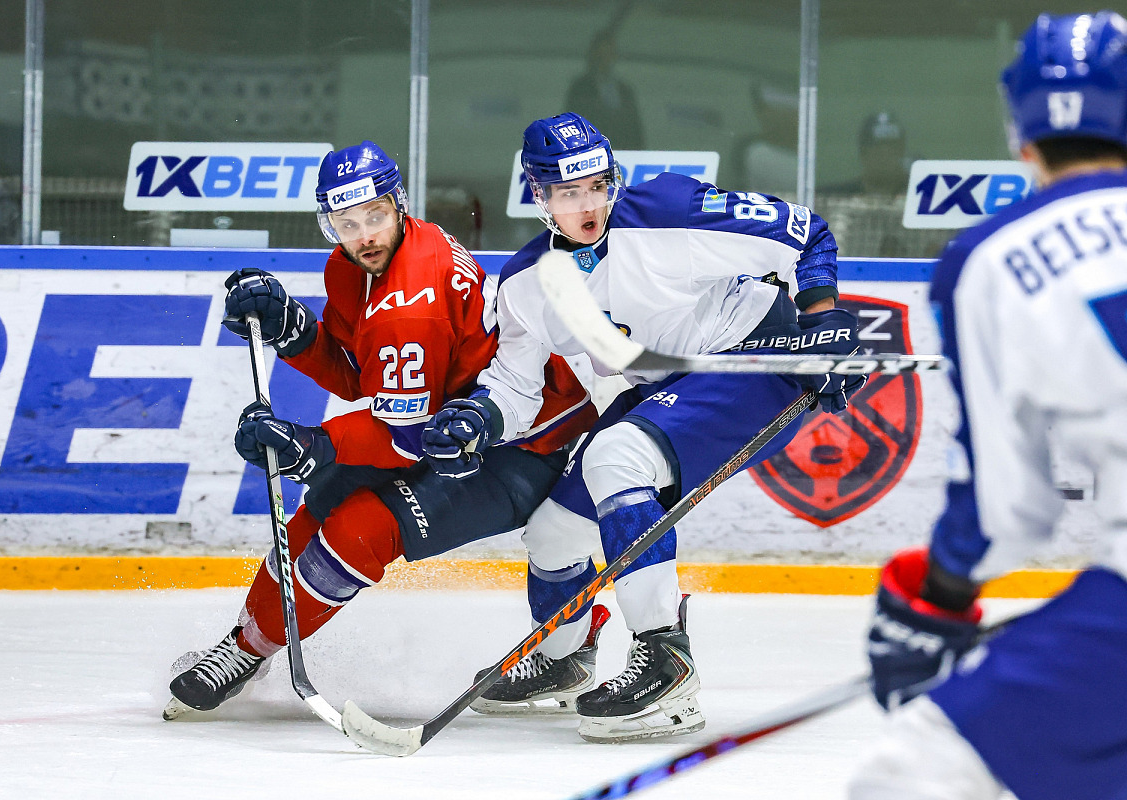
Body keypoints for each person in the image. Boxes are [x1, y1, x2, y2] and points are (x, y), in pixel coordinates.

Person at [420, 112, 864, 742]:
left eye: (597, 186)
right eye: (568, 193)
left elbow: (806, 232)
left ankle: (665, 659)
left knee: (617, 457)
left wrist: (823, 321)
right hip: (665, 383)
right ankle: (564, 657)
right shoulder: (525, 283)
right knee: (553, 533)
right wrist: (477, 417)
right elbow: (515, 386)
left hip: (753, 353)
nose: (588, 205)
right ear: (539, 195)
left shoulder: (667, 211)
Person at [163, 141, 597, 719]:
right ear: (330, 225)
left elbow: (407, 438)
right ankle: (242, 649)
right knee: (322, 503)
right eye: (347, 223)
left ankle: (573, 645)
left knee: (359, 530)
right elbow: (359, 378)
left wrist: (312, 447)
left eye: (375, 216)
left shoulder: (413, 300)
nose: (365, 235)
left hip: (520, 444)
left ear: (398, 204)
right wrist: (293, 330)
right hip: (448, 422)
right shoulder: (353, 267)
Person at [848, 11, 1127, 799]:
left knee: (908, 776)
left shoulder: (990, 258)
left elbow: (1009, 511)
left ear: (1021, 134)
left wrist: (938, 598)